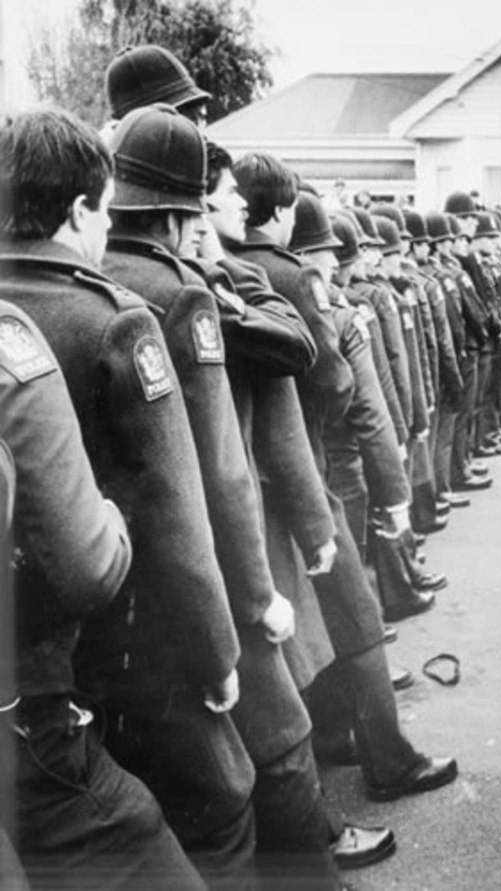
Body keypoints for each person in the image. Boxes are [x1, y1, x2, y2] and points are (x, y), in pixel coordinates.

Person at [0, 108, 241, 888]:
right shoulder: (112, 322)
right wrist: (219, 656)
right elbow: (180, 516)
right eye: (101, 211)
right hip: (87, 664)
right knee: (221, 804)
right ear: (79, 212)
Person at [230, 152, 458, 801]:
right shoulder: (291, 276)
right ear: (279, 213)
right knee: (356, 618)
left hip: (248, 485)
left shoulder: (221, 270)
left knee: (307, 621)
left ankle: (334, 735)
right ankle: (390, 758)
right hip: (304, 471)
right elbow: (333, 381)